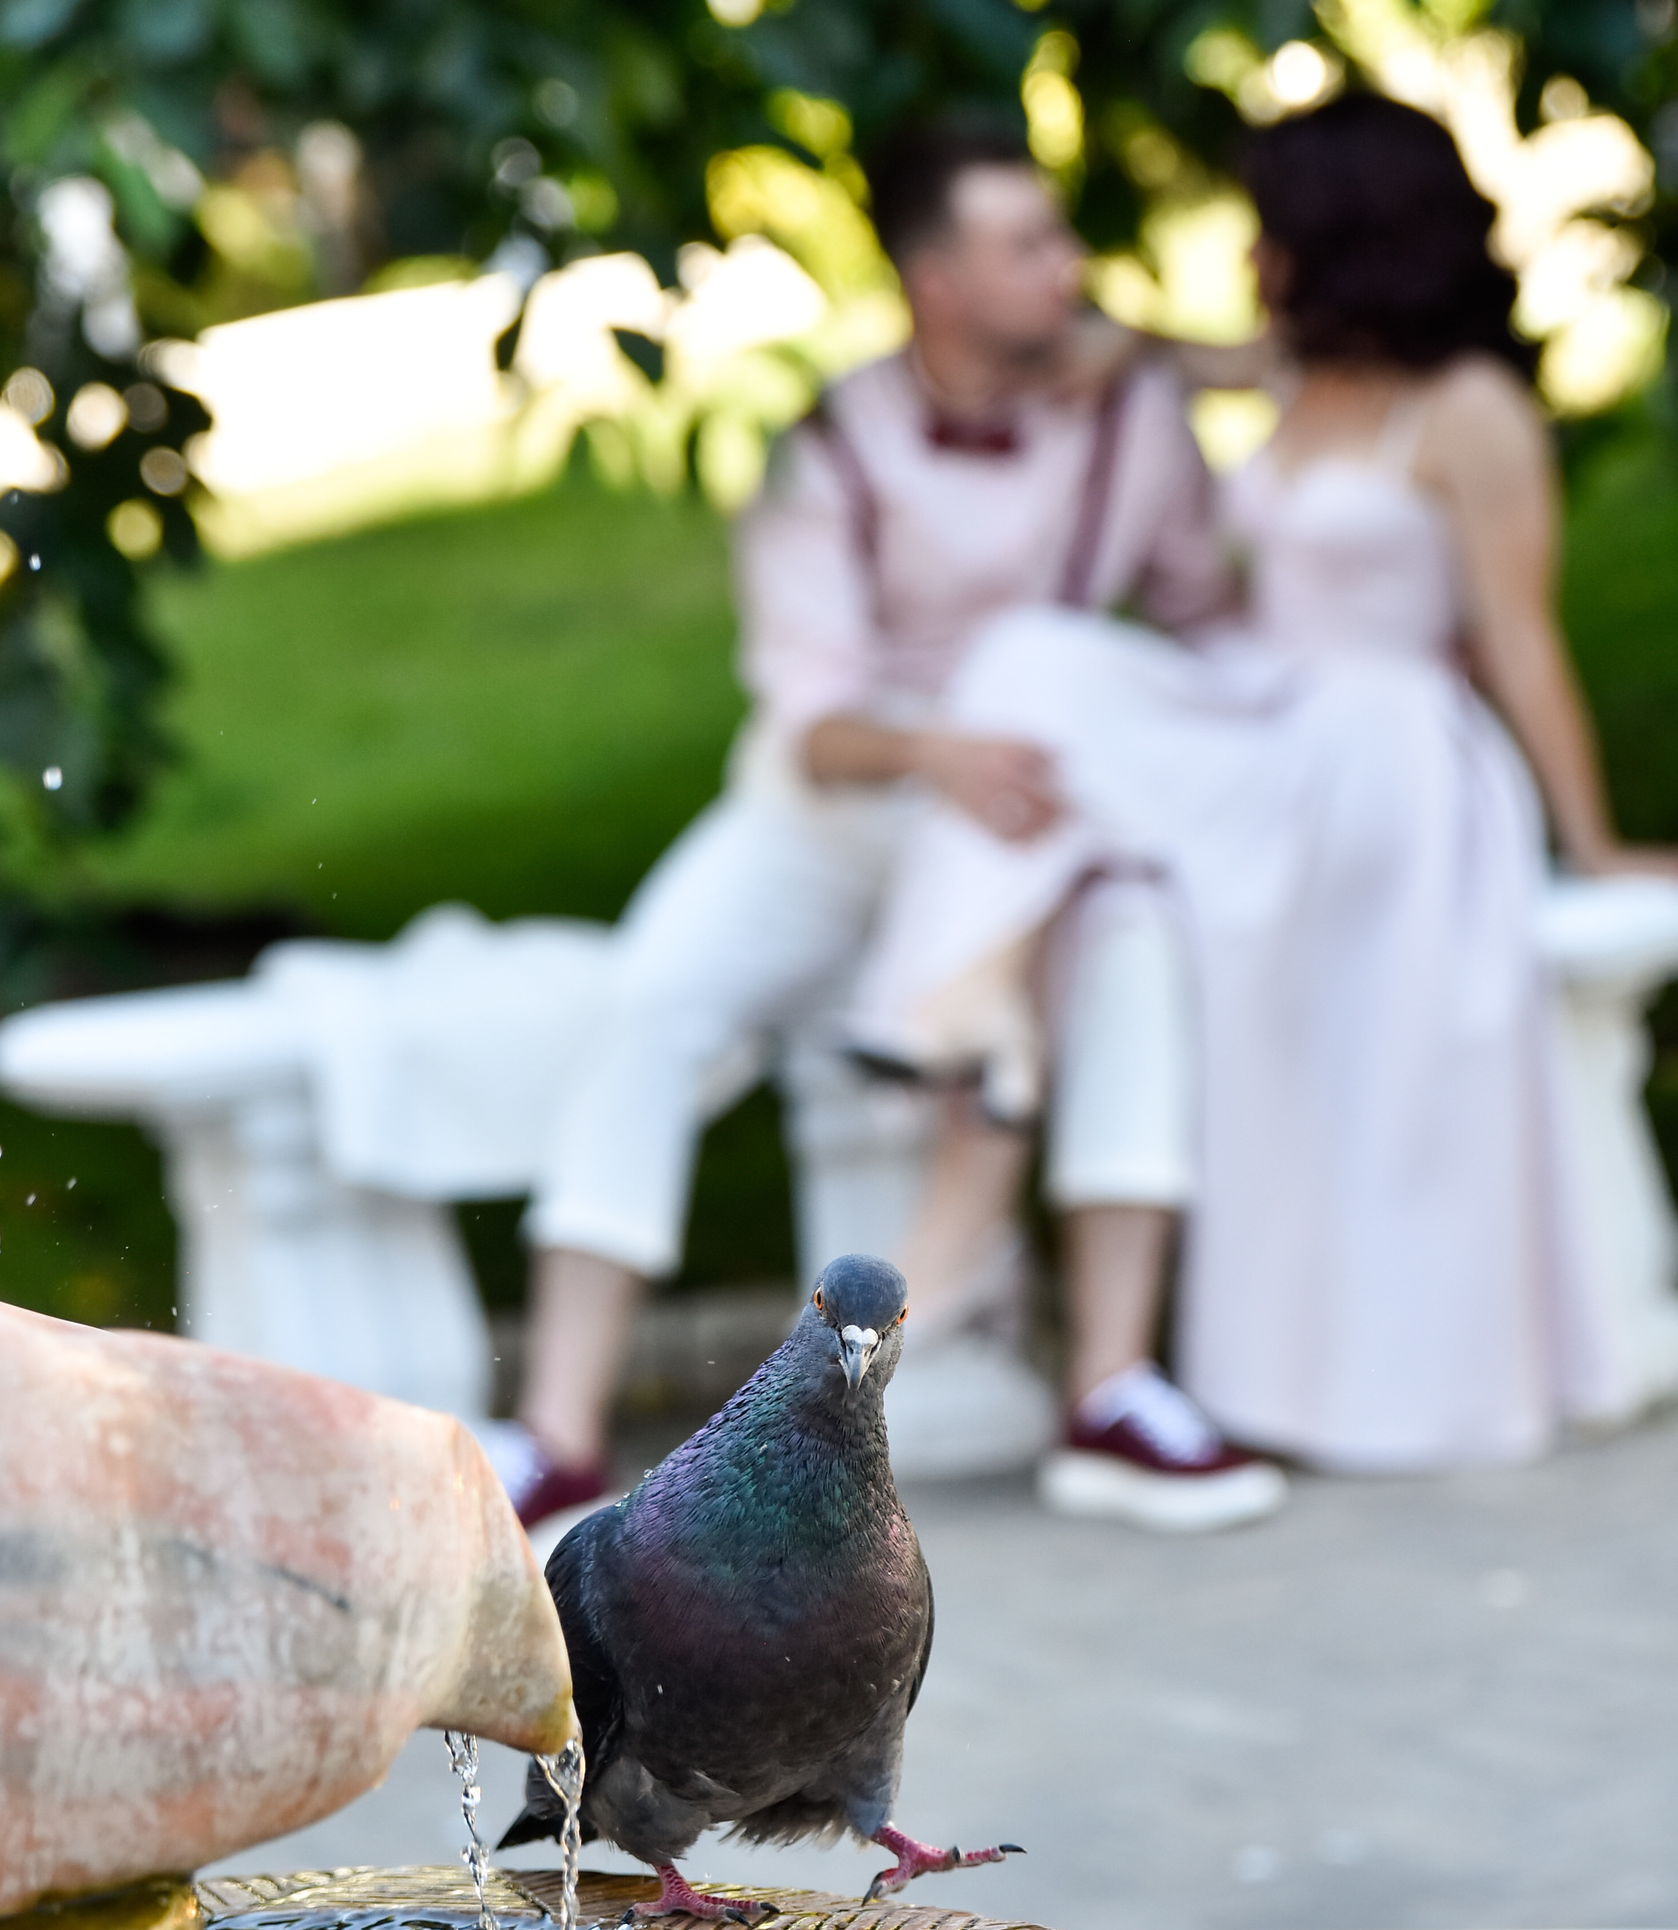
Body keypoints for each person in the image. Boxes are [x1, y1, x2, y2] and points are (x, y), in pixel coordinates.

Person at [847, 93, 1677, 1475]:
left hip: (1387, 768)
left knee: (1055, 711)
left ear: (1341, 240)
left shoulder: (1471, 412)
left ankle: (957, 1020)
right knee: (1031, 667)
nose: (1251, 256)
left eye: (1273, 231)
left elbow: (1522, 644)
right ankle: (957, 1005)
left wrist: (1589, 842)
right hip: (1266, 711)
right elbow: (1195, 356)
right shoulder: (1300, 363)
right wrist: (1119, 350)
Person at [504, 121, 1285, 1531]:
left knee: (1131, 949)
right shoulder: (828, 448)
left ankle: (1112, 1389)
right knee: (659, 991)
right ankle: (553, 1429)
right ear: (937, 283)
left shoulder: (1133, 417)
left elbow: (1202, 617)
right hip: (845, 808)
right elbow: (816, 722)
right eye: (1031, 246)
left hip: (1029, 825)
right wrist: (945, 751)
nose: (1073, 268)